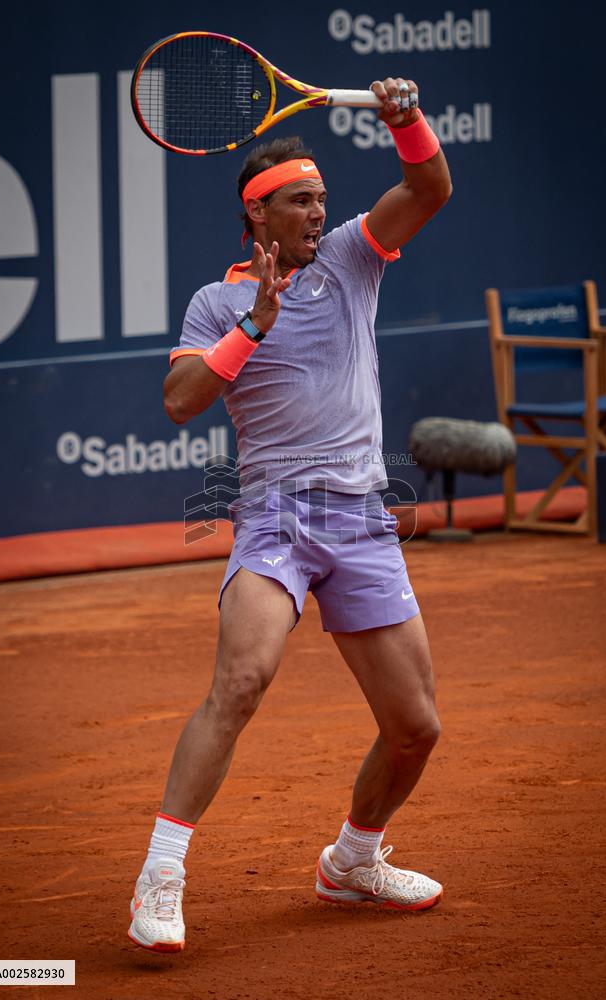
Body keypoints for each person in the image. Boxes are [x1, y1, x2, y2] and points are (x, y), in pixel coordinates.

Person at [128, 76, 452, 953]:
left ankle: (353, 860)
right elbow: (179, 402)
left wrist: (408, 120)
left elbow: (429, 187)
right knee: (241, 681)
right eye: (301, 201)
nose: (319, 213)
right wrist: (255, 325)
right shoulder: (216, 302)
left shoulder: (352, 258)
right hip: (276, 518)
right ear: (258, 214)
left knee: (415, 728)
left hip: (361, 519)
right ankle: (161, 875)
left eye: (321, 199)